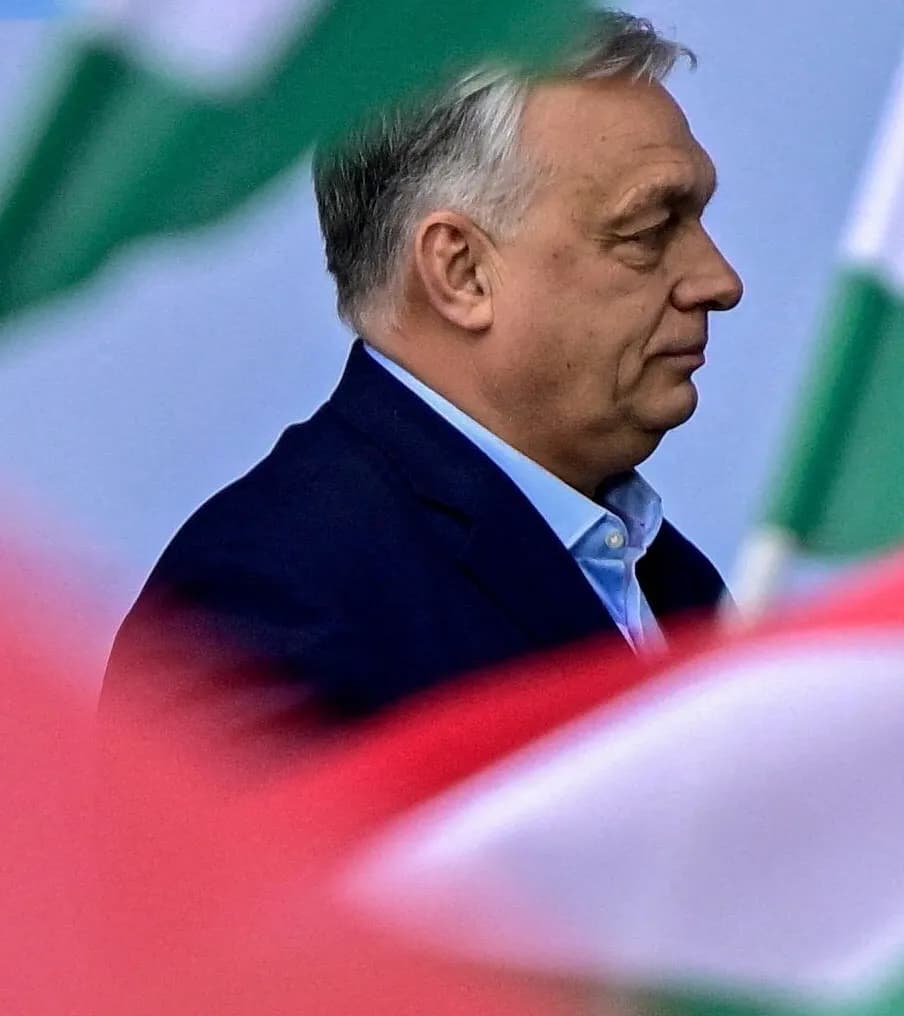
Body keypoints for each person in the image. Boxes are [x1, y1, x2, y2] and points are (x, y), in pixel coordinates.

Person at [103, 10, 743, 728]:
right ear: (461, 273)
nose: (719, 281)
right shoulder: (260, 607)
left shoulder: (675, 583)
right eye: (649, 230)